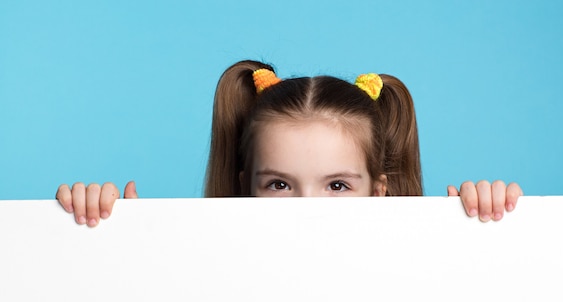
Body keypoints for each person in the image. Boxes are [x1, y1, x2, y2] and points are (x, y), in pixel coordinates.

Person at [56, 60, 522, 227]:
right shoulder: (207, 273)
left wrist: (483, 225)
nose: (306, 206)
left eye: (337, 186)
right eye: (279, 184)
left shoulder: (414, 280)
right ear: (245, 187)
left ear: (378, 192)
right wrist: (109, 233)